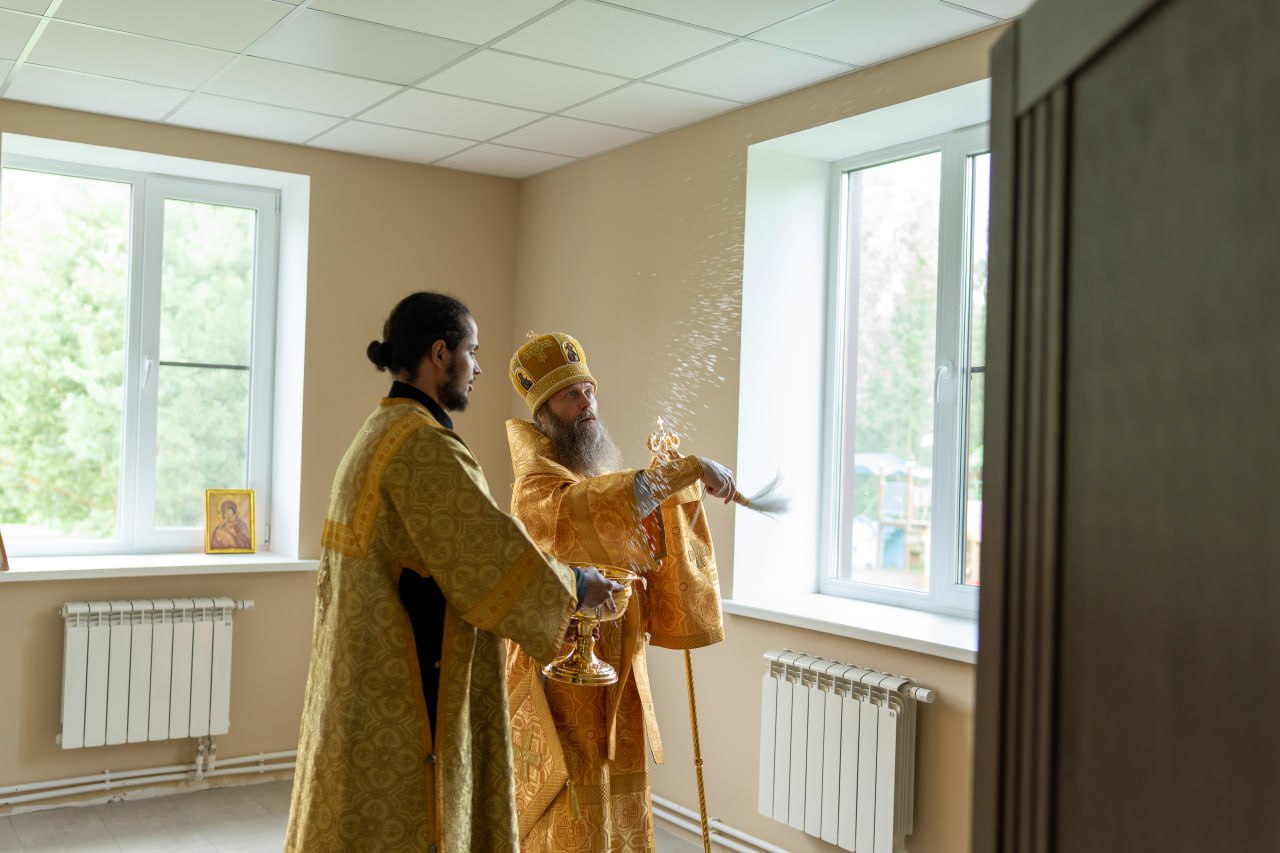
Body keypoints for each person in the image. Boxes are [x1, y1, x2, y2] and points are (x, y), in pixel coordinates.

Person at [285, 294, 620, 853]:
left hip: (367, 673)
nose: (477, 368)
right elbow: (487, 551)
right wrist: (579, 586)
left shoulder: (381, 428)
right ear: (440, 354)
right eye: (473, 351)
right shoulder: (424, 444)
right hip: (405, 686)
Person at [504, 332, 738, 852]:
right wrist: (687, 470)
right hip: (558, 667)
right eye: (571, 396)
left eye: (589, 391)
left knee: (619, 792)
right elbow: (592, 505)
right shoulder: (537, 486)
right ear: (544, 414)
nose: (586, 403)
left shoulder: (592, 471)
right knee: (575, 798)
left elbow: (625, 521)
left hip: (614, 661)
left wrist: (670, 494)